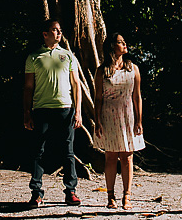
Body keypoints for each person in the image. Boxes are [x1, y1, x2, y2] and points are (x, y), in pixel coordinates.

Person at [23, 19, 82, 208]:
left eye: (60, 30)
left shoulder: (67, 55)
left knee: (68, 151)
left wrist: (78, 111)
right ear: (45, 34)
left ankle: (70, 191)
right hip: (41, 109)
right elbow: (28, 87)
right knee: (38, 151)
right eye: (54, 30)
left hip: (65, 109)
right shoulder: (34, 57)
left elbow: (76, 84)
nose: (59, 33)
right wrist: (27, 112)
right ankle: (36, 193)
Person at [93, 33, 144, 209]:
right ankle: (110, 196)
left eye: (124, 41)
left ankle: (127, 196)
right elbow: (97, 98)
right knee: (110, 157)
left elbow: (137, 96)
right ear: (112, 46)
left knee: (127, 157)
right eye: (121, 42)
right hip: (108, 115)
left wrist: (139, 120)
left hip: (127, 115)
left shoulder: (133, 69)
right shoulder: (102, 71)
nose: (124, 44)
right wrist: (97, 120)